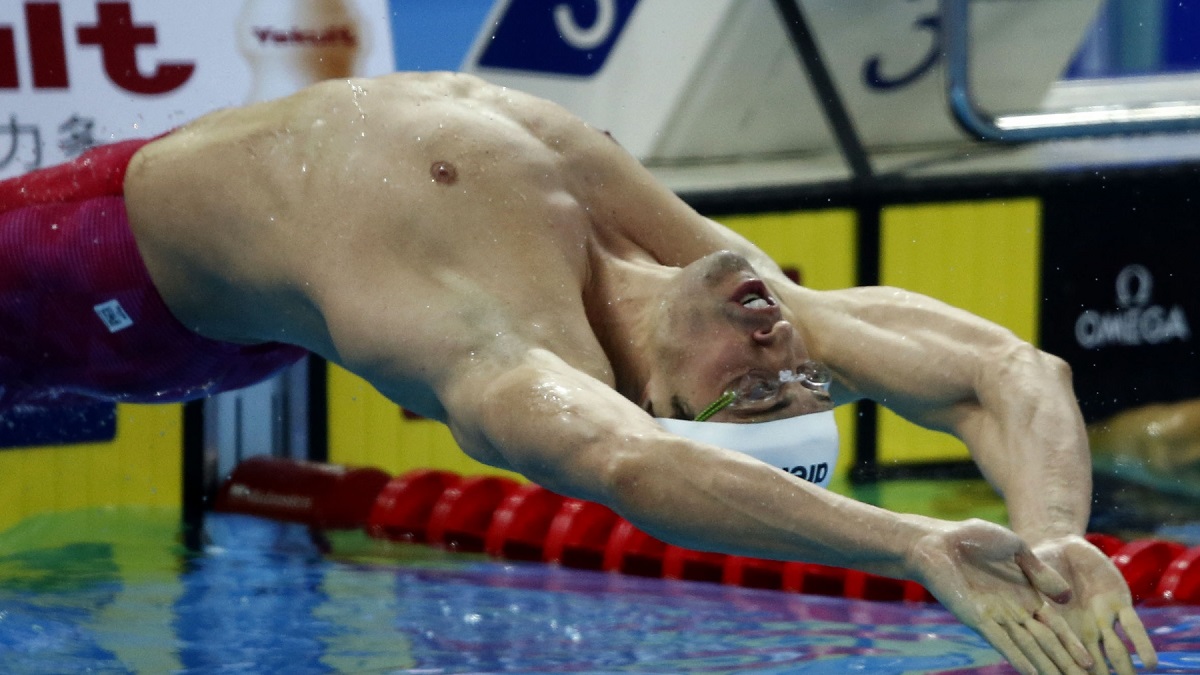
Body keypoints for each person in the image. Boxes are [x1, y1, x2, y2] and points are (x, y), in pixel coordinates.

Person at [0, 71, 1157, 675]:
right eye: (805, 382)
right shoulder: (750, 302)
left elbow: (626, 463)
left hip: (75, 288)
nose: (785, 357)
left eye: (756, 396)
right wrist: (1053, 537)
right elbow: (1004, 374)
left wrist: (903, 546)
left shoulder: (505, 353)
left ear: (653, 397)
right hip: (245, 281)